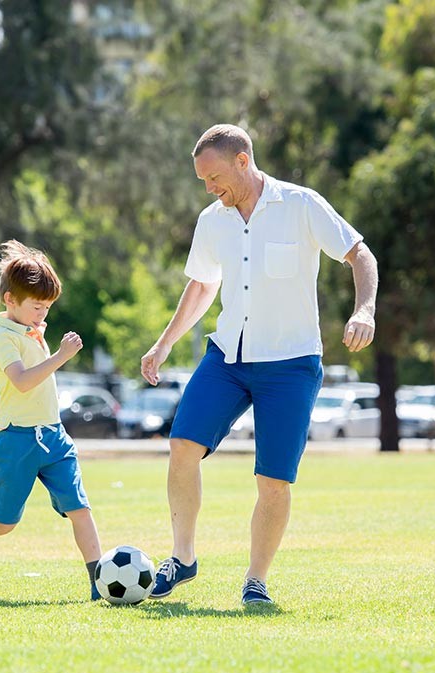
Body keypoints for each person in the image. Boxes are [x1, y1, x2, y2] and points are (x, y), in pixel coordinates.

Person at [140, 124, 378, 605]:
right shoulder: (213, 220)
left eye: (213, 178)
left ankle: (255, 581)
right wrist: (163, 344)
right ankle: (182, 558)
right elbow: (203, 286)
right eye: (202, 181)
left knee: (273, 479)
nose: (209, 189)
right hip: (228, 356)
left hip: (291, 365)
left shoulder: (301, 204)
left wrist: (364, 309)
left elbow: (359, 254)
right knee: (183, 444)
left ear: (243, 161)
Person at [0, 240, 103, 600]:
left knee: (80, 509)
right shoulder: (1, 338)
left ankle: (98, 583)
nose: (43, 315)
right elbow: (23, 382)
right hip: (17, 441)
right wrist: (61, 355)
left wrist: (47, 342)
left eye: (47, 308)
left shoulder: (30, 328)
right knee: (4, 523)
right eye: (37, 306)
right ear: (10, 300)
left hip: (54, 438)